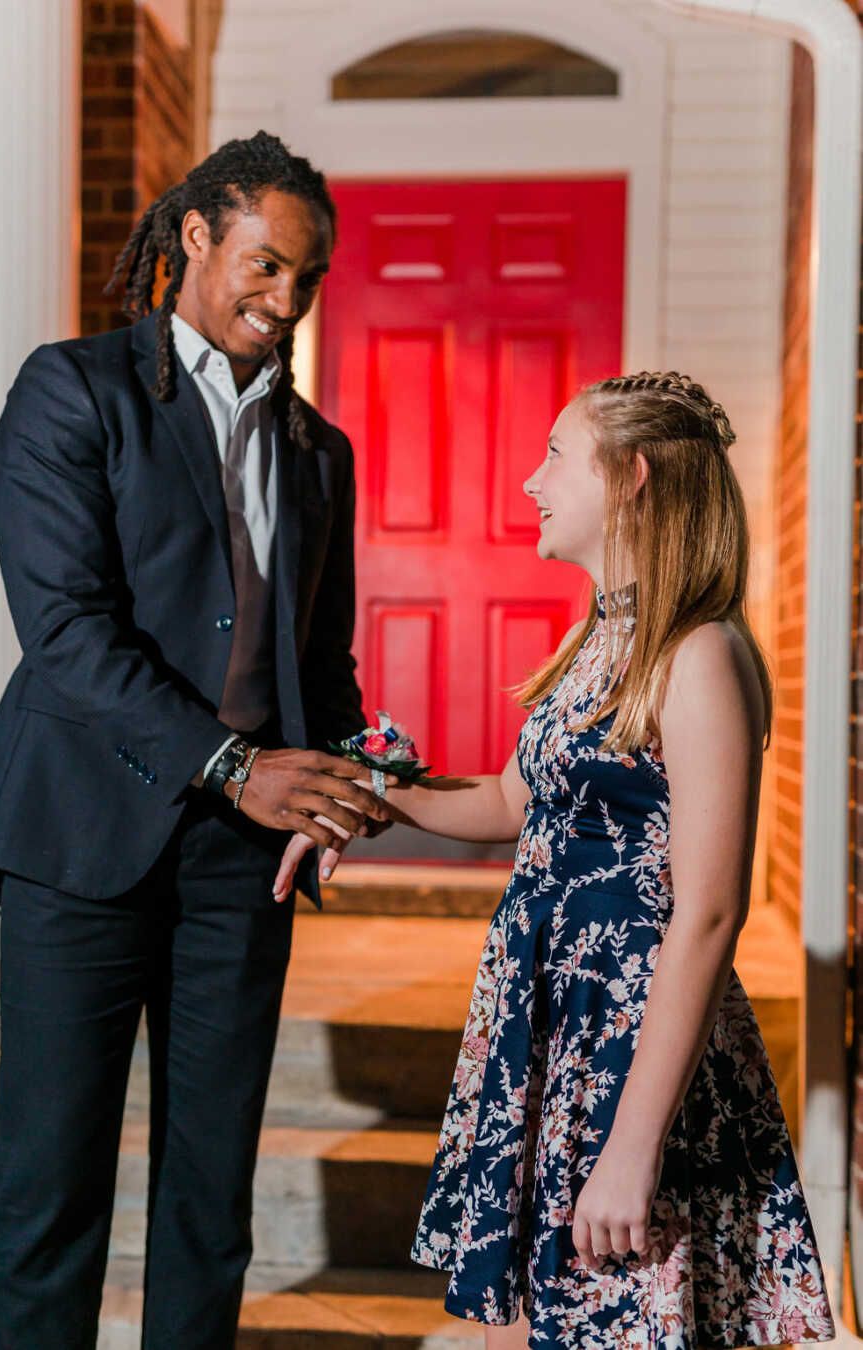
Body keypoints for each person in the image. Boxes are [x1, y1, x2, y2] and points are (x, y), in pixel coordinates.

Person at [274, 371, 835, 1349]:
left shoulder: (698, 655)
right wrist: (360, 791)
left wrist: (631, 1145)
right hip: (545, 1034)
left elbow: (708, 913)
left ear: (633, 478)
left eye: (555, 456)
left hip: (629, 1048)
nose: (533, 482)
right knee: (526, 1324)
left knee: (620, 1320)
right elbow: (507, 802)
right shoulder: (594, 640)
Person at [0, 130, 390, 1350]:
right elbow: (65, 632)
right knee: (50, 1193)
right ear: (196, 237)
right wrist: (235, 767)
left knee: (211, 1200)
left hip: (241, 863)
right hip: (80, 840)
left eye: (307, 279)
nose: (284, 299)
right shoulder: (73, 389)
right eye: (265, 265)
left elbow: (320, 661)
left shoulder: (321, 455)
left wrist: (338, 781)